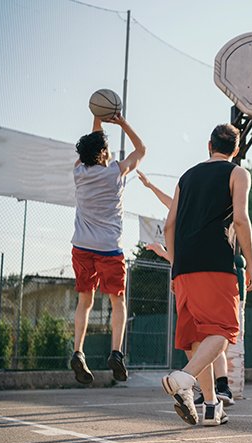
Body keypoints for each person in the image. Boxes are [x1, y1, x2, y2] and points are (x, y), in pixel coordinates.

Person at [161, 124, 252, 426]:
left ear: (209, 145)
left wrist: (175, 265)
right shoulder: (237, 173)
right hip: (215, 261)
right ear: (236, 150)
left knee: (197, 336)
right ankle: (184, 378)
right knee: (227, 329)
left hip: (184, 264)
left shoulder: (186, 177)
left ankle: (212, 406)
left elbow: (169, 226)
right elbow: (240, 218)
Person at [138, 169, 235, 406]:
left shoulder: (200, 216)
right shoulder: (196, 216)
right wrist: (151, 186)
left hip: (194, 273)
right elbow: (170, 206)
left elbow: (171, 211)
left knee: (209, 337)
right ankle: (209, 395)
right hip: (202, 271)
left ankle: (214, 389)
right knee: (214, 335)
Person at [70, 114, 146, 385]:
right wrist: (123, 122)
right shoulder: (116, 172)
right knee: (118, 302)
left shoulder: (79, 172)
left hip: (82, 247)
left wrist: (96, 118)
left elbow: (93, 146)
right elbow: (141, 150)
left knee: (85, 302)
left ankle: (78, 351)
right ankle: (116, 352)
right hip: (109, 250)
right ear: (103, 153)